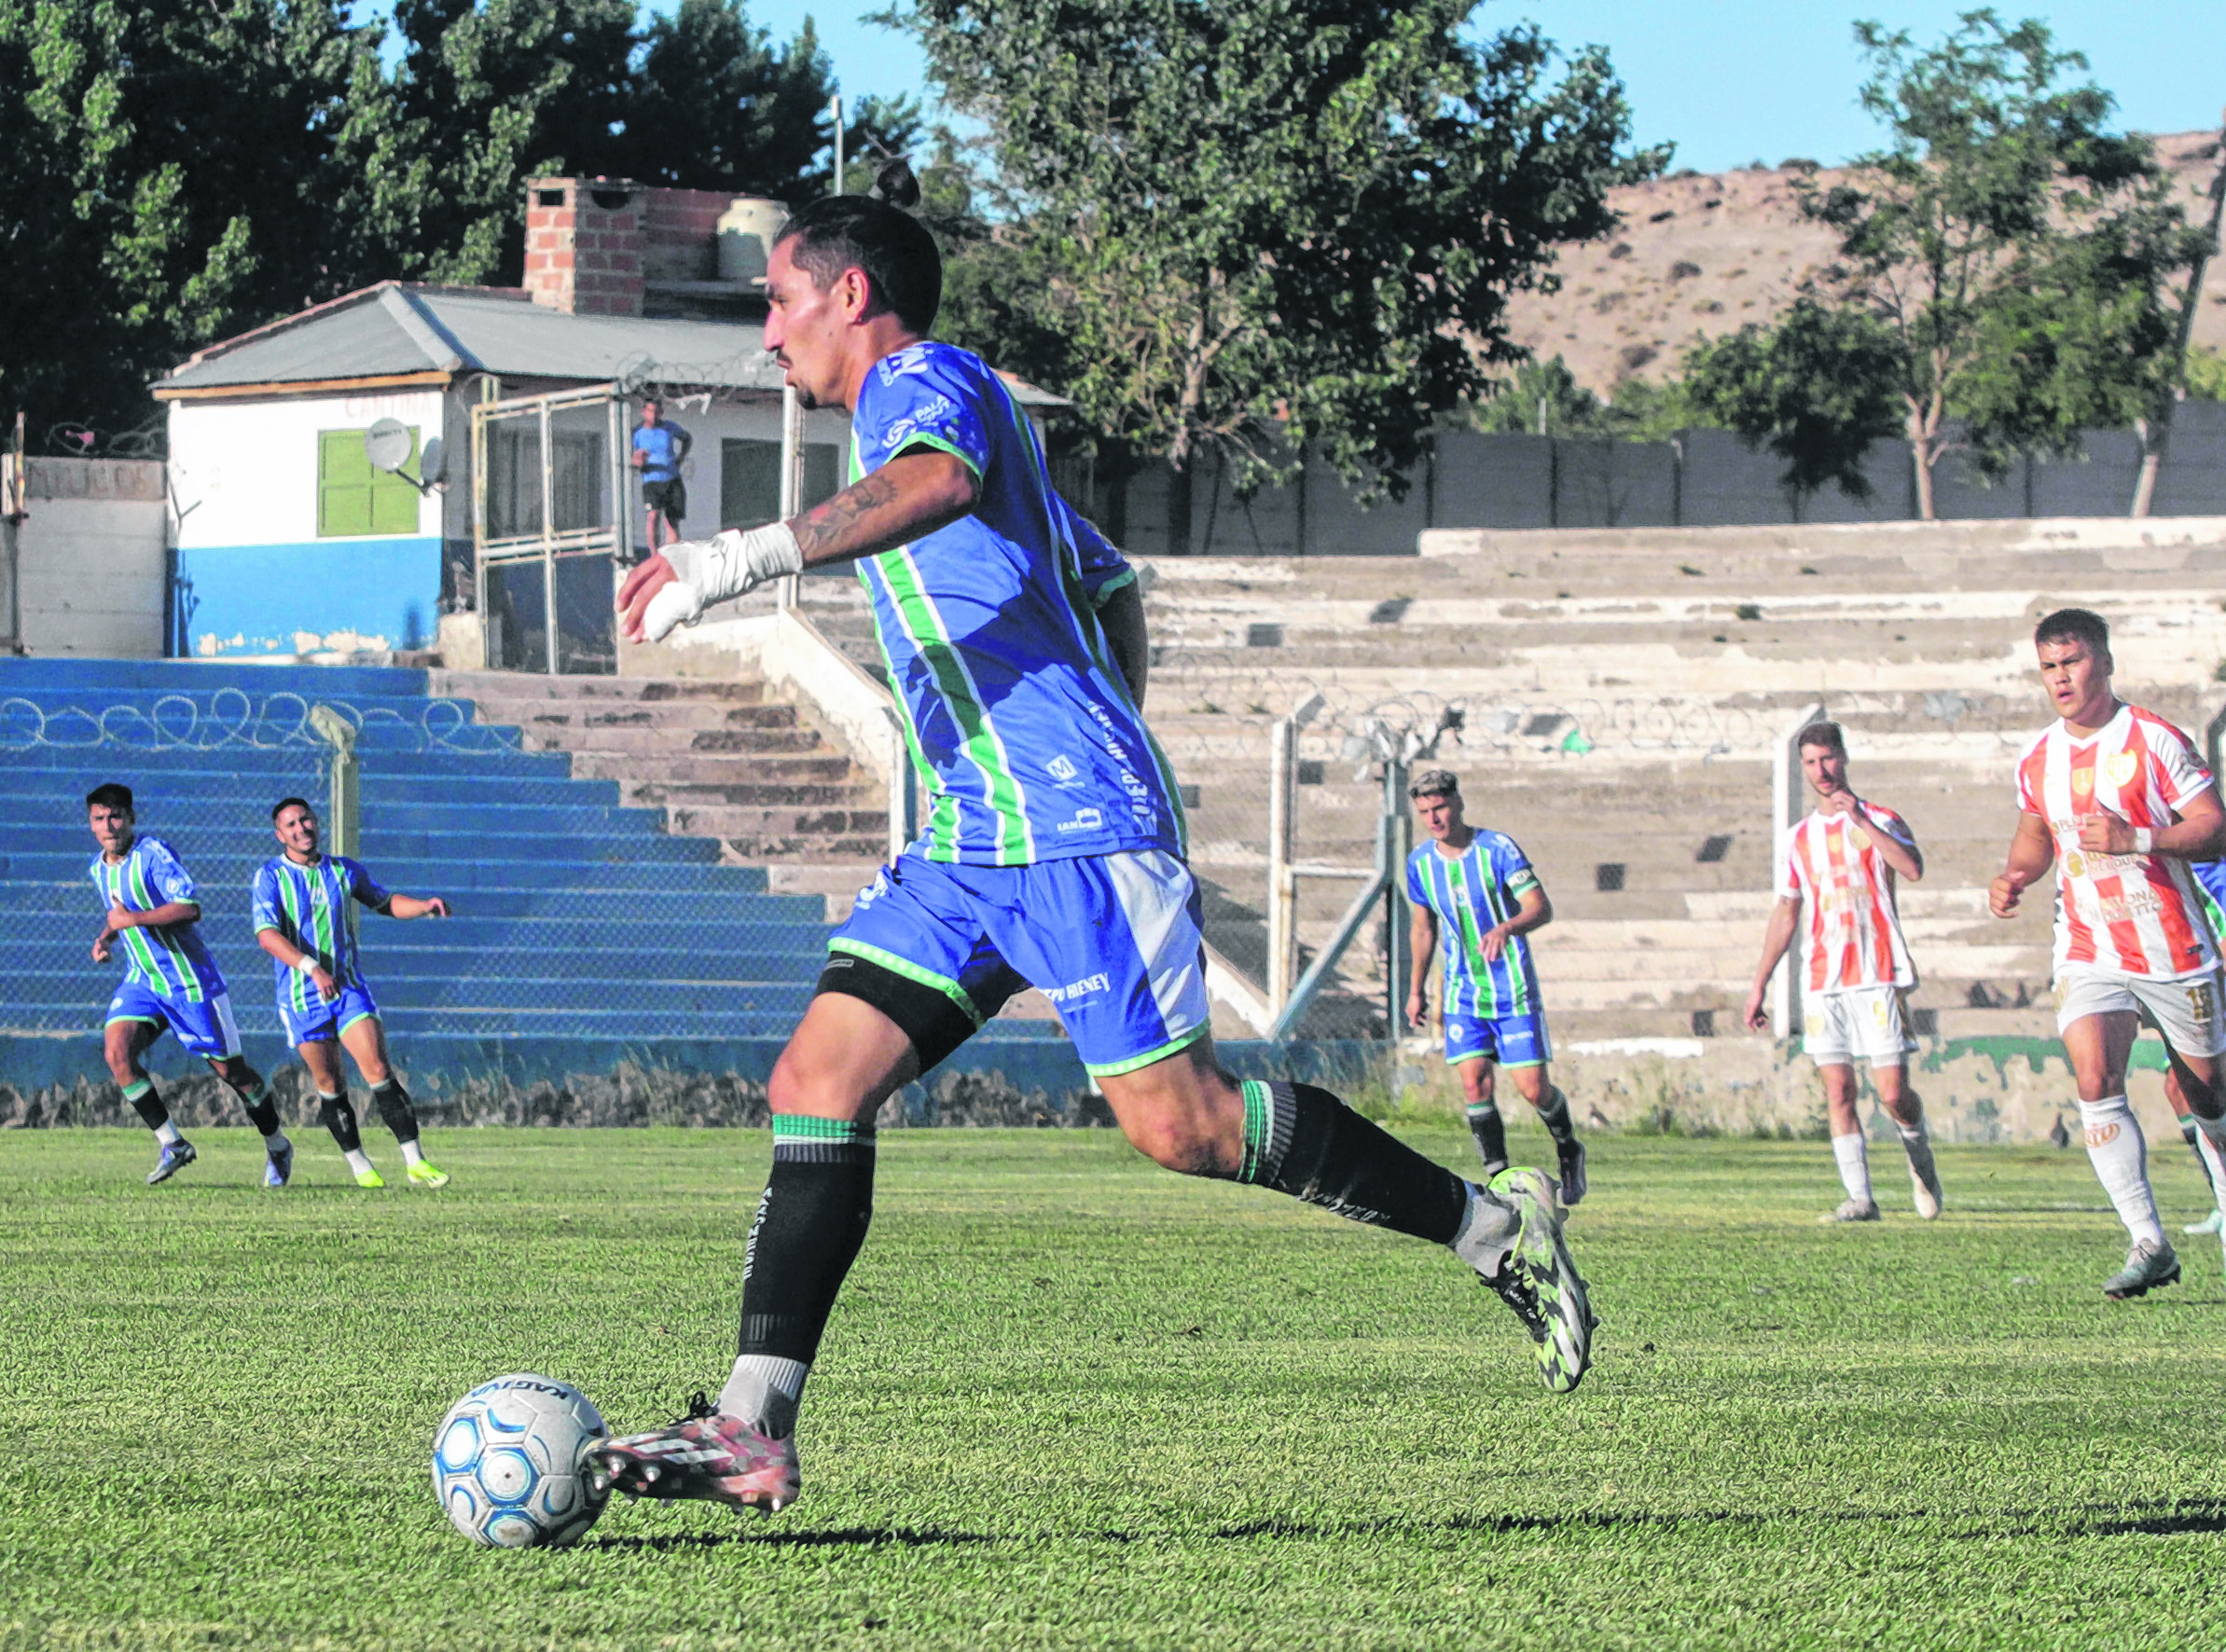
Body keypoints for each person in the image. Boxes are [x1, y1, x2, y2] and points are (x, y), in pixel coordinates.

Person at [587, 195, 1595, 1516]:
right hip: (965, 844)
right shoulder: (937, 420)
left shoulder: (922, 385)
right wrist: (1087, 701)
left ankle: (1490, 1228)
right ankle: (749, 1427)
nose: (766, 335)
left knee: (1182, 1128)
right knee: (816, 1082)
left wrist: (742, 560)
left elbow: (937, 485)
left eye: (776, 301)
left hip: (1067, 833)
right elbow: (1106, 577)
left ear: (847, 295)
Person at [1988, 609, 2226, 1299]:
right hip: (2088, 944)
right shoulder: (2038, 757)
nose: (2060, 678)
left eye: (2072, 661)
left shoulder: (2153, 739)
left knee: (2207, 1098)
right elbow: (2036, 832)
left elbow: (2212, 828)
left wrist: (2138, 840)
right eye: (2049, 667)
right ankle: (2147, 1241)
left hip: (2170, 942)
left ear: (2105, 662)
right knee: (2094, 1079)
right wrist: (2016, 875)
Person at [1741, 723, 1944, 1222]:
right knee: (1839, 1090)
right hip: (1822, 979)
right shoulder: (1799, 839)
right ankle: (1861, 1198)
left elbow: (1913, 869)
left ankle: (1920, 1162)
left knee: (1894, 1093)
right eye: (1811, 762)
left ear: (1843, 758)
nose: (1821, 771)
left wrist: (1861, 820)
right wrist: (1758, 984)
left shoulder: (1881, 818)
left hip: (1878, 972)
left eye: (1827, 759)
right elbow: (1786, 912)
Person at [85, 782, 294, 1187]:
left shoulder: (153, 855)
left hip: (190, 983)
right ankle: (172, 1143)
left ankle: (277, 1145)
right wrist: (105, 938)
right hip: (143, 981)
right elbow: (119, 915)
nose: (109, 825)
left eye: (115, 816)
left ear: (131, 818)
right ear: (91, 825)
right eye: (99, 818)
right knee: (117, 1052)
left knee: (233, 1074)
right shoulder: (98, 867)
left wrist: (133, 921)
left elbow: (189, 907)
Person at [252, 797, 453, 1189]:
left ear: (316, 822)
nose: (302, 829)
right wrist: (311, 969)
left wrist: (424, 906)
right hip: (301, 996)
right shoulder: (270, 877)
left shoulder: (343, 870)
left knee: (378, 1069)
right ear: (280, 835)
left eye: (305, 820)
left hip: (347, 990)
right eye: (291, 825)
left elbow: (384, 901)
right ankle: (361, 1166)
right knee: (329, 1083)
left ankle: (416, 1162)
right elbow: (267, 935)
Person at [1403, 768, 1585, 1200]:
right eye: (1425, 811)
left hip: (1513, 988)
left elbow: (1540, 907)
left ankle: (1569, 1147)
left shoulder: (1497, 848)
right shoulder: (1420, 864)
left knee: (1533, 1090)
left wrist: (1507, 927)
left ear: (1458, 802)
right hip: (1463, 992)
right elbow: (1423, 928)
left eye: (1440, 807)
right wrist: (1416, 990)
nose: (1434, 818)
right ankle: (1499, 1183)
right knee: (1474, 1082)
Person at [629, 397, 693, 555]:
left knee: (672, 521)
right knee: (653, 516)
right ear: (644, 412)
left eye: (657, 412)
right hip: (652, 480)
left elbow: (686, 438)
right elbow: (631, 459)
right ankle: (654, 555)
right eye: (650, 411)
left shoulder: (669, 427)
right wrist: (638, 460)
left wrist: (680, 458)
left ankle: (671, 555)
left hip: (672, 478)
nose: (654, 415)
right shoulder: (637, 433)